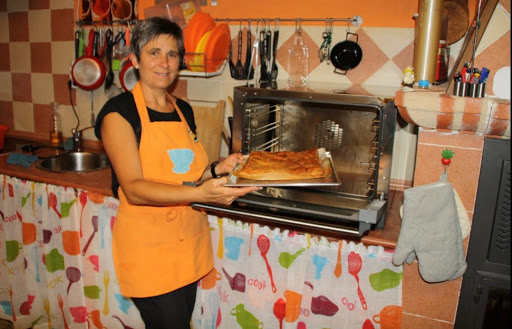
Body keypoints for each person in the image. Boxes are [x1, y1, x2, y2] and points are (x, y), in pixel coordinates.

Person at [94, 17, 259, 329]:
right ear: (135, 59)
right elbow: (135, 189)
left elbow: (189, 178)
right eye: (154, 52)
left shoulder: (184, 109)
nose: (164, 63)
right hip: (150, 249)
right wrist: (200, 193)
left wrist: (216, 168)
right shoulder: (119, 114)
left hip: (188, 244)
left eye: (172, 54)